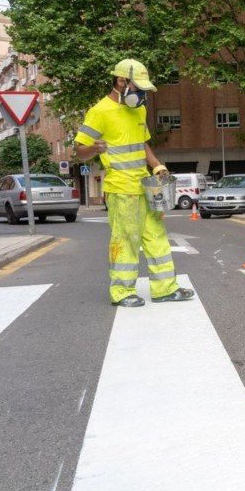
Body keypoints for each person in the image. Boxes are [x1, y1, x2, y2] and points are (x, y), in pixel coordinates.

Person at [74, 59, 194, 307]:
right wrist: (93, 149)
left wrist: (157, 165)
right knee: (126, 239)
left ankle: (164, 289)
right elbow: (79, 151)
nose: (142, 94)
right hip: (121, 189)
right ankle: (122, 291)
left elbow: (143, 143)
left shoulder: (139, 110)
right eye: (138, 87)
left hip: (146, 187)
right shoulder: (100, 111)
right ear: (121, 81)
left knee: (157, 237)